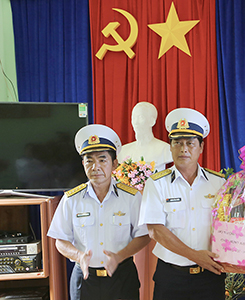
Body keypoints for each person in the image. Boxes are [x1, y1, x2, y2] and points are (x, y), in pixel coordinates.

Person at [47, 124, 151, 300]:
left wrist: (119, 256)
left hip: (122, 277)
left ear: (114, 163)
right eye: (89, 160)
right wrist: (79, 256)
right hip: (85, 279)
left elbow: (144, 235)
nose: (95, 167)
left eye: (102, 160)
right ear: (83, 164)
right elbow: (61, 241)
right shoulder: (71, 199)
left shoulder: (131, 197)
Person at [138, 108, 226, 299]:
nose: (183, 149)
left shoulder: (218, 183)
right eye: (177, 142)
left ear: (201, 147)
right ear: (170, 147)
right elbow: (155, 230)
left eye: (190, 143)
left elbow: (230, 224)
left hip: (210, 277)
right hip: (171, 277)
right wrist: (195, 255)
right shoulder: (156, 183)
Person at [118, 101, 173, 170]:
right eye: (134, 118)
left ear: (152, 121)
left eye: (140, 117)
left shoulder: (165, 149)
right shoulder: (123, 151)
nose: (136, 122)